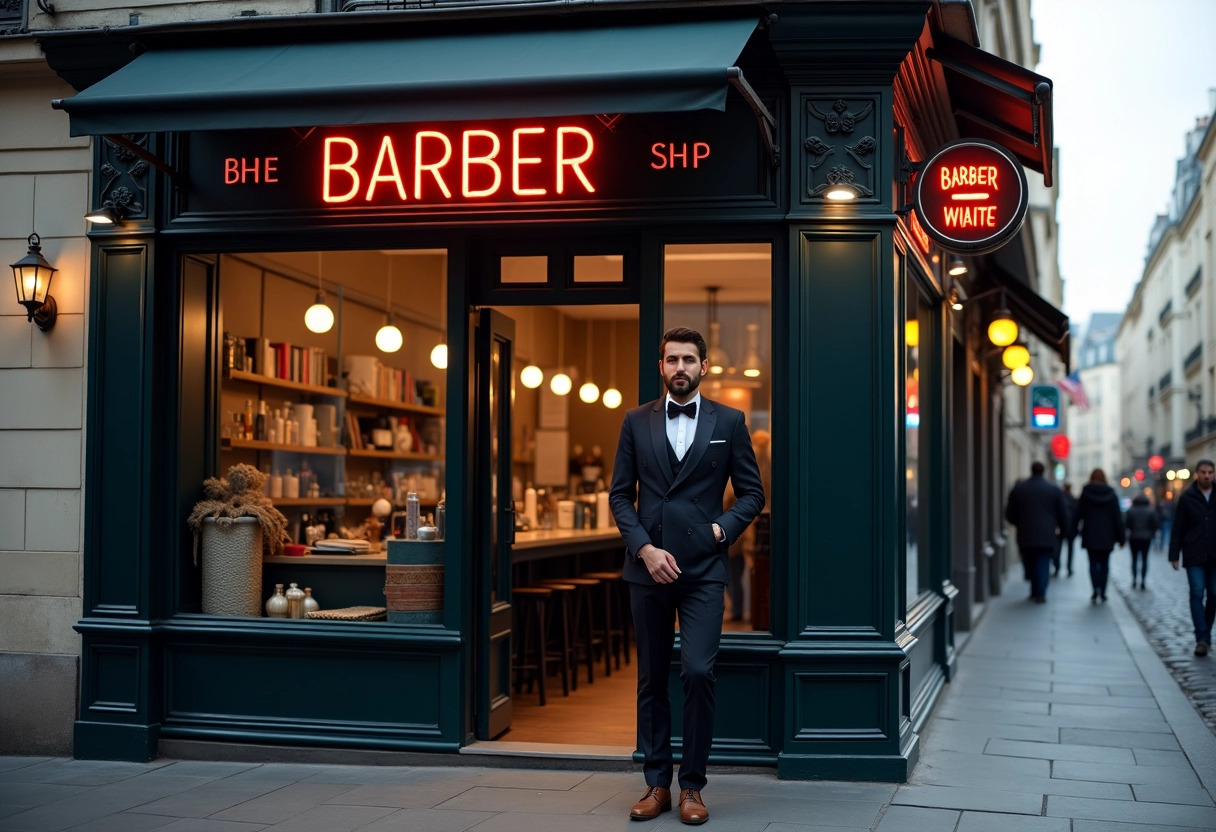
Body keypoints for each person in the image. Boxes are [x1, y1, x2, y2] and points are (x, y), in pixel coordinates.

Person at [610, 326, 766, 824]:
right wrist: (644, 549)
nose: (680, 367)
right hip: (648, 568)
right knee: (652, 678)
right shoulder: (636, 421)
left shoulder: (731, 420)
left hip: (703, 569)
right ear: (661, 367)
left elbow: (752, 495)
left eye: (689, 360)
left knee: (698, 672)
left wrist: (721, 531)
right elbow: (619, 495)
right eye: (672, 359)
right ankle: (657, 783)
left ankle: (692, 787)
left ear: (703, 367)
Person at [1168, 459, 1216, 657]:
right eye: (1203, 472)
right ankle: (1202, 638)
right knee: (1197, 593)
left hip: (1215, 554)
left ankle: (1205, 631)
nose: (1207, 475)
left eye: (1210, 472)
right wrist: (1174, 554)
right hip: (1193, 553)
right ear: (1197, 473)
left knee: (1214, 595)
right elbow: (1178, 527)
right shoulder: (1187, 497)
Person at [1005, 462, 1069, 603]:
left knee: (1030, 561)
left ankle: (1036, 590)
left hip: (1025, 533)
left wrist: (1020, 523)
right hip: (1046, 533)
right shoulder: (1053, 489)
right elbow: (1063, 514)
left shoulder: (1020, 488)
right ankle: (1039, 591)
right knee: (1043, 562)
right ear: (1043, 471)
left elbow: (1009, 514)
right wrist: (1062, 531)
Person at [1076, 468, 1125, 604]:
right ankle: (1102, 591)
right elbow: (1117, 517)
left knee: (1092, 563)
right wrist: (1122, 538)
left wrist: (1072, 530)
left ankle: (1095, 589)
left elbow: (1078, 513)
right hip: (1107, 535)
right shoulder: (1111, 493)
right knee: (1104, 564)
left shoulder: (1086, 492)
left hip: (1090, 533)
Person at [1124, 494, 1158, 590]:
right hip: (1146, 538)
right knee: (1144, 559)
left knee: (1134, 559)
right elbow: (1155, 525)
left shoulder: (1131, 511)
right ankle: (1143, 580)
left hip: (1134, 537)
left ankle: (1134, 579)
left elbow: (1127, 524)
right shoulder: (1150, 511)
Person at [1055, 483, 1079, 577]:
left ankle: (1058, 567)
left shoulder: (1061, 499)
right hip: (1071, 528)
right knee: (1070, 550)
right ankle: (1069, 568)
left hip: (1061, 528)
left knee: (1058, 549)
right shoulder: (1073, 499)